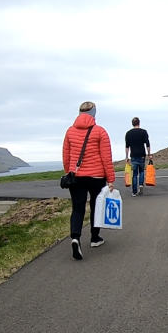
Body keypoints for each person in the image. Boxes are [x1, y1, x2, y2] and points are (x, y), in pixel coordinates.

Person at [62, 101, 116, 260]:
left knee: (77, 208)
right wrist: (111, 179)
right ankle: (94, 238)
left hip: (76, 176)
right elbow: (106, 158)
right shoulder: (100, 132)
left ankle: (75, 238)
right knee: (96, 206)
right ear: (94, 113)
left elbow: (66, 156)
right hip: (97, 177)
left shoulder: (70, 131)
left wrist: (69, 172)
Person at [125, 116, 151, 196]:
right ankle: (141, 185)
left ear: (132, 124)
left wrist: (127, 157)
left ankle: (134, 191)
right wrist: (149, 154)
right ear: (139, 123)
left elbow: (127, 147)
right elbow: (147, 144)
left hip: (133, 155)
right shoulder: (144, 132)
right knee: (142, 171)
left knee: (135, 174)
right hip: (142, 155)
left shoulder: (128, 133)